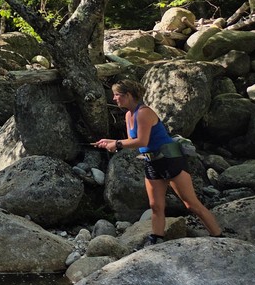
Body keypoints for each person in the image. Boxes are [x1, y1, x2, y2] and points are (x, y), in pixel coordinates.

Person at [93, 79, 223, 246]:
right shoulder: (128, 115)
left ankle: (218, 237)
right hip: (152, 163)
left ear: (129, 95)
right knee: (155, 206)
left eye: (117, 95)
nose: (114, 98)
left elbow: (142, 141)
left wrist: (117, 144)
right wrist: (109, 141)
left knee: (191, 204)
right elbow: (133, 141)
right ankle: (156, 239)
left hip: (170, 159)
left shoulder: (144, 113)